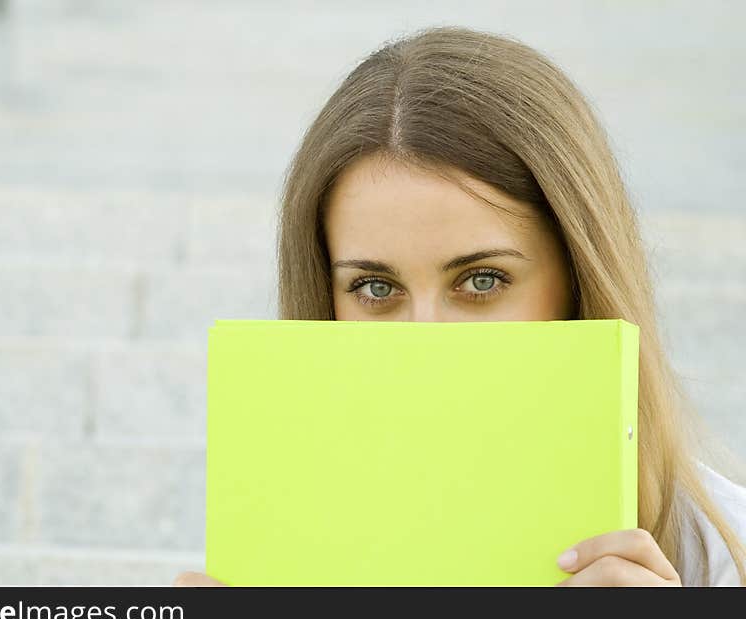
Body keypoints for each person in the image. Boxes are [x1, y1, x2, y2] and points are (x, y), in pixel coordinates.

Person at [175, 25, 746, 586]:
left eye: (481, 281)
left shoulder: (724, 553)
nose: (427, 337)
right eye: (376, 288)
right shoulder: (271, 561)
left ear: (578, 279)